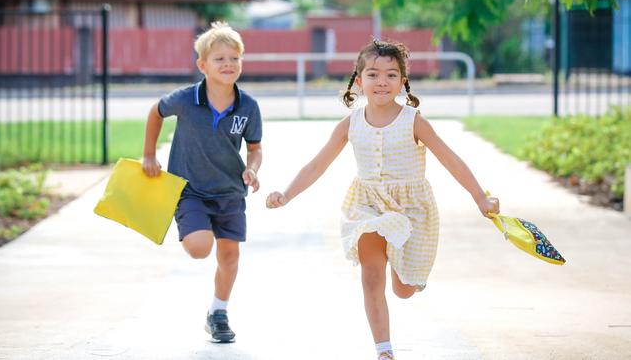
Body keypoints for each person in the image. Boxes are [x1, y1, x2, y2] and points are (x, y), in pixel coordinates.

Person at [265, 39, 499, 360]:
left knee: (402, 289)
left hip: (412, 209)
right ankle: (384, 350)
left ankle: (407, 276)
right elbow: (318, 164)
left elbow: (451, 159)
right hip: (368, 205)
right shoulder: (350, 124)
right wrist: (287, 194)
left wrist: (480, 197)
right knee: (371, 274)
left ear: (403, 81)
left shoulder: (414, 121)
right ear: (359, 81)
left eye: (391, 75)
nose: (382, 82)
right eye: (373, 74)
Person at [141, 22, 262, 343]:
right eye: (220, 59)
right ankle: (196, 230)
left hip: (230, 192)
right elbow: (155, 112)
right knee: (198, 249)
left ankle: (218, 312)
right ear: (202, 65)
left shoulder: (248, 106)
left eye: (235, 58)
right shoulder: (184, 99)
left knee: (230, 256)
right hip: (190, 190)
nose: (228, 65)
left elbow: (255, 148)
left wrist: (252, 169)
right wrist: (149, 155)